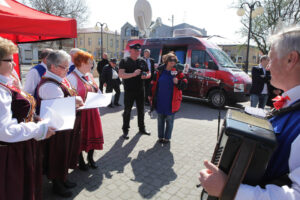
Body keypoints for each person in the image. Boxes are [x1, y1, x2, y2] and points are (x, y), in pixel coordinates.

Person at [199, 26, 300, 200]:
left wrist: (228, 190)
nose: (267, 67)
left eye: (271, 59)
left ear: (291, 59)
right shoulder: (292, 103)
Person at [0, 37, 55, 200]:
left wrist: (34, 117)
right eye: (10, 60)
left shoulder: (6, 84)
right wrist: (39, 129)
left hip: (19, 145)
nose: (14, 64)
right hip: (11, 152)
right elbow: (5, 131)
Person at [36, 50, 83, 198]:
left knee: (65, 154)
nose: (67, 69)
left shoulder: (59, 79)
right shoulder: (49, 84)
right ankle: (57, 184)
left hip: (64, 125)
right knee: (57, 155)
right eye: (64, 67)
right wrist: (75, 101)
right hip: (56, 129)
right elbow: (58, 106)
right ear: (53, 67)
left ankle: (63, 178)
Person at [67, 51, 104, 170]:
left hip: (93, 112)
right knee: (80, 138)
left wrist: (102, 97)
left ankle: (91, 158)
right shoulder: (71, 77)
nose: (92, 65)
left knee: (94, 134)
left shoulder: (89, 75)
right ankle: (80, 161)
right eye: (89, 63)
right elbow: (69, 98)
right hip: (80, 114)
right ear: (81, 63)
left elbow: (96, 90)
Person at [149, 52, 187, 144]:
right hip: (160, 100)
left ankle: (167, 138)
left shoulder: (178, 72)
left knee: (169, 121)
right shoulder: (159, 71)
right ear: (166, 61)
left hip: (172, 101)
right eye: (170, 59)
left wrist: (178, 82)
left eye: (174, 60)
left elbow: (185, 85)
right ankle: (160, 137)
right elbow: (153, 84)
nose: (172, 62)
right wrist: (150, 94)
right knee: (160, 120)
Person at [119, 43, 151, 139]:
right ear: (131, 51)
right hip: (129, 90)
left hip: (140, 89)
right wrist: (133, 74)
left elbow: (149, 72)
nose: (138, 52)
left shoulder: (142, 61)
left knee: (141, 110)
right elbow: (121, 74)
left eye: (139, 51)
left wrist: (146, 75)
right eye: (136, 50)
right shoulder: (124, 61)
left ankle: (142, 128)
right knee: (127, 111)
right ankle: (125, 130)